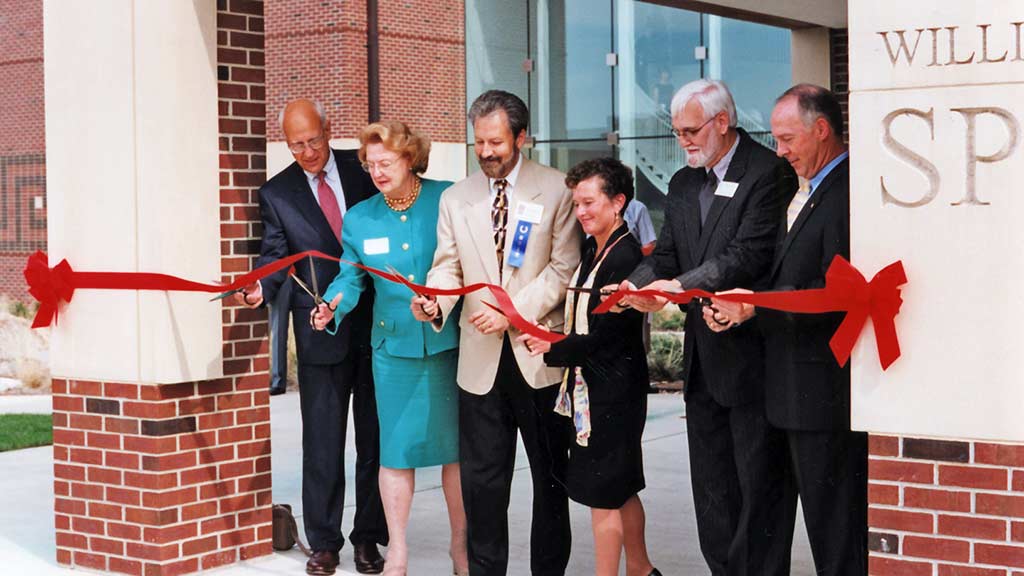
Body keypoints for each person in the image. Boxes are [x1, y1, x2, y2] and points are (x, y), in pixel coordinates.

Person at [615, 79, 796, 576]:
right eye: (676, 132)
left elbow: (748, 253)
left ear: (722, 122)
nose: (684, 142)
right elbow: (667, 254)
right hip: (702, 365)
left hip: (753, 358)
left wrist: (680, 285)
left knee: (759, 491)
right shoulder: (681, 183)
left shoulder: (768, 173)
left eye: (691, 130)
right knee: (713, 494)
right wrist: (634, 285)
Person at [410, 89, 581, 576]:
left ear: (521, 137)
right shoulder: (455, 198)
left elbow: (563, 268)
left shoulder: (555, 189)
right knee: (483, 488)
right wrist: (433, 301)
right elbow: (446, 269)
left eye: (496, 142)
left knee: (552, 484)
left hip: (537, 358)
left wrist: (512, 311)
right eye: (479, 142)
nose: (486, 152)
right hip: (479, 366)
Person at [708, 84, 867, 576]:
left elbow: (833, 292)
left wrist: (755, 309)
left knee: (834, 533)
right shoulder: (804, 189)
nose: (781, 152)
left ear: (822, 130)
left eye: (788, 139)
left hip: (820, 395)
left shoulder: (848, 193)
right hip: (783, 393)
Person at [234, 99, 388, 576]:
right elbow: (275, 257)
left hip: (378, 323)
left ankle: (368, 539)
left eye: (313, 141)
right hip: (320, 328)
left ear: (328, 129)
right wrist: (260, 287)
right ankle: (324, 542)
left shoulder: (362, 168)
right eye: (296, 145)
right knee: (322, 444)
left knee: (375, 442)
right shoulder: (277, 193)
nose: (306, 152)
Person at [310, 120, 468, 576]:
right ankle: (397, 549)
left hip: (447, 344)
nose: (377, 172)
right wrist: (332, 307)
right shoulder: (360, 217)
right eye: (370, 164)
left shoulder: (446, 198)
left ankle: (460, 547)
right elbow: (349, 278)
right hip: (392, 352)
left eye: (386, 163)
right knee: (395, 452)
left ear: (409, 158)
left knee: (455, 452)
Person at [518, 158, 660, 576]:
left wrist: (552, 345)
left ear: (618, 202)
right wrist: (552, 333)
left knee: (604, 495)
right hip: (594, 389)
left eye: (589, 202)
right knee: (622, 487)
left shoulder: (625, 257)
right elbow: (584, 318)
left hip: (613, 392)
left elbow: (605, 338)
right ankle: (641, 568)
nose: (581, 212)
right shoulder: (594, 247)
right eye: (577, 203)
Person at [268, 279, 291, 396]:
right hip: (282, 277)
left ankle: (279, 381)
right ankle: (278, 381)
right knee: (279, 331)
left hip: (298, 275)